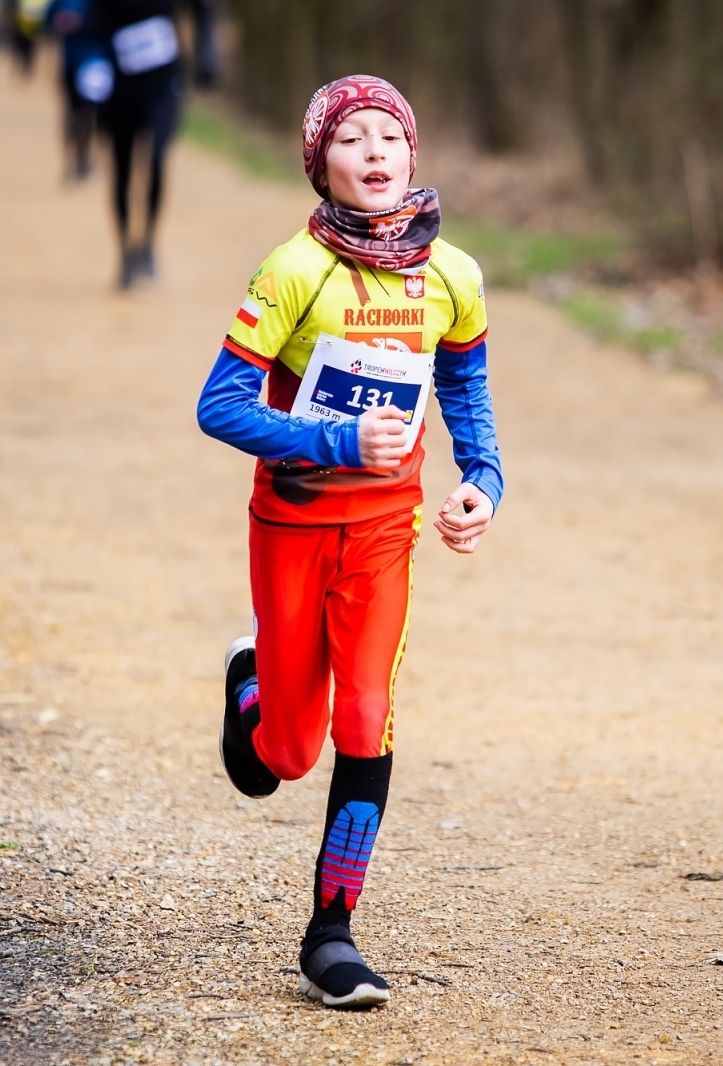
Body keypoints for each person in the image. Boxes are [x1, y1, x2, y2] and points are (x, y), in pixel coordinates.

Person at [195, 75, 503, 1009]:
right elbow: (219, 407)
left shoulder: (453, 276)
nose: (373, 153)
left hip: (382, 528)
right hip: (291, 524)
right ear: (319, 165)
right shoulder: (296, 270)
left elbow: (467, 401)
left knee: (366, 714)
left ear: (413, 154)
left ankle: (332, 933)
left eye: (388, 137)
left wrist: (483, 483)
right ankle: (250, 682)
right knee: (281, 758)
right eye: (349, 140)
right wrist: (331, 441)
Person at [91, 0, 215, 288]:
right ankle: (124, 251)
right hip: (119, 90)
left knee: (158, 158)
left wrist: (206, 55)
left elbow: (203, 10)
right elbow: (89, 27)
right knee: (122, 171)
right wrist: (91, 69)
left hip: (163, 88)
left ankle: (147, 241)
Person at [47, 0, 103, 180]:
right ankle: (72, 160)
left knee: (88, 113)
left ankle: (84, 160)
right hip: (70, 64)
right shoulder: (63, 2)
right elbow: (49, 22)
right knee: (72, 113)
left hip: (94, 63)